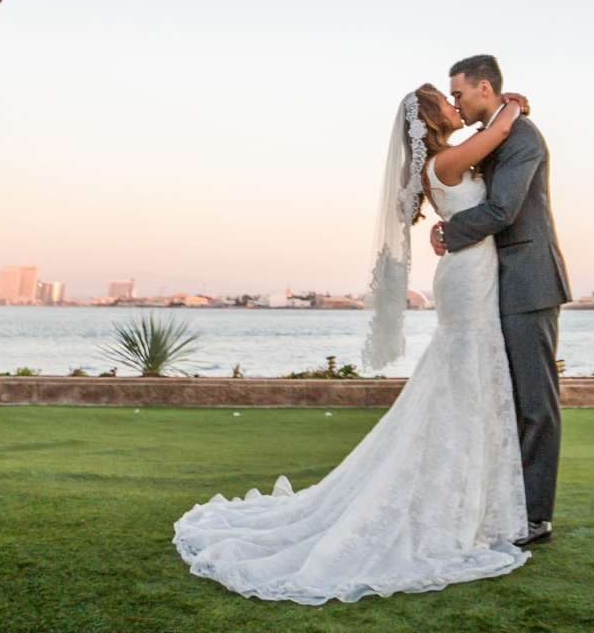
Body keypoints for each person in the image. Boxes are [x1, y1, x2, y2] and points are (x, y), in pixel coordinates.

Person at [172, 77, 538, 602]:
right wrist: (512, 104)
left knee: (462, 383)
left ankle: (467, 497)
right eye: (449, 102)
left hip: (471, 272)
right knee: (462, 378)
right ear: (434, 118)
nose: (459, 108)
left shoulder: (449, 161)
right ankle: (451, 504)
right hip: (466, 279)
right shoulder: (447, 162)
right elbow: (502, 127)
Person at [430, 53, 570, 546]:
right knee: (505, 397)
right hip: (495, 281)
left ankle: (536, 517)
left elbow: (504, 209)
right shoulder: (499, 134)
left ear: (485, 88)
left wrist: (450, 232)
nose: (456, 102)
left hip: (529, 281)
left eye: (460, 93)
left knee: (535, 401)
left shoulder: (523, 138)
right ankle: (508, 501)